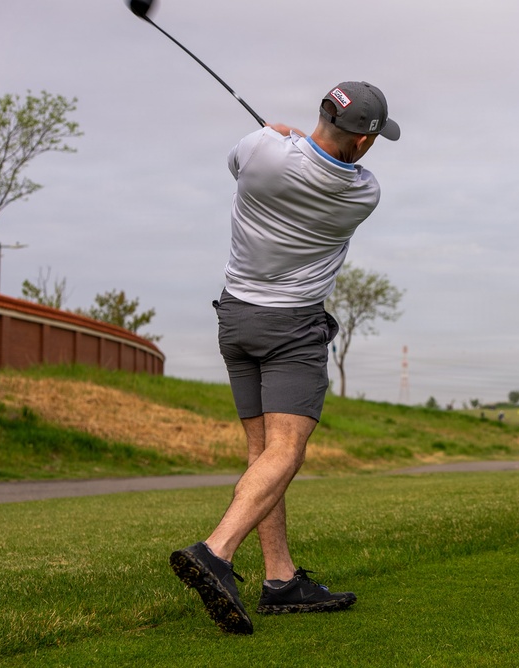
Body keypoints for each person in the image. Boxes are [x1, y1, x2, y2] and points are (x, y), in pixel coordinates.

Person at [169, 81, 400, 635]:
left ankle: (280, 578)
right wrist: (290, 141)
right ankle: (216, 553)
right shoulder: (363, 194)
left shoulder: (260, 152)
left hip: (235, 318)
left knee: (262, 454)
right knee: (287, 451)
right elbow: (325, 166)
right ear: (364, 141)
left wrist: (279, 136)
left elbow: (244, 161)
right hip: (292, 327)